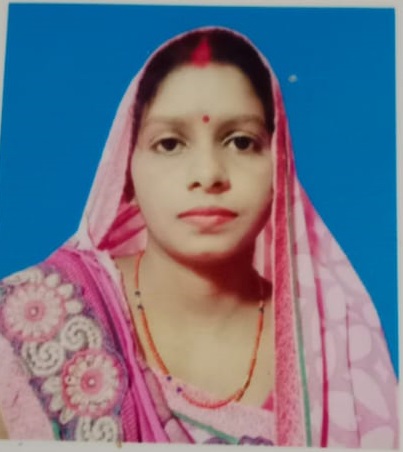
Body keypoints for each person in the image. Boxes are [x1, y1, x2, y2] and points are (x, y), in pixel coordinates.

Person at [0, 27, 398, 447]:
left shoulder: (334, 346)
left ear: (280, 166)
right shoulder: (29, 324)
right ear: (125, 173)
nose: (208, 174)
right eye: (170, 144)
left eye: (241, 142)